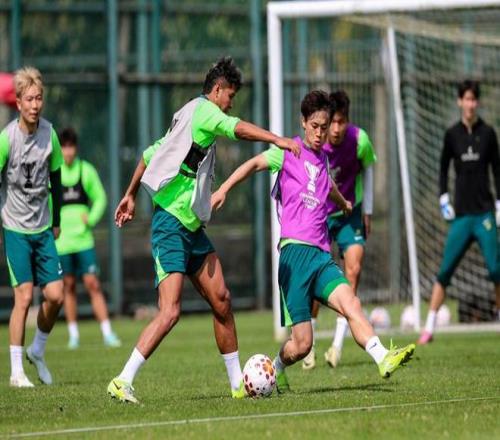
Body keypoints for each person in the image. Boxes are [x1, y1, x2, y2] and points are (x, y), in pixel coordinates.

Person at [106, 56, 300, 403]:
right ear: (218, 89)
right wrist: (279, 139)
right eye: (231, 96)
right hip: (170, 223)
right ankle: (122, 380)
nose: (231, 103)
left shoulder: (188, 114)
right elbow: (237, 128)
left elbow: (150, 155)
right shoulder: (206, 111)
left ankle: (237, 386)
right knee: (170, 311)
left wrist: (131, 194)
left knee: (221, 299)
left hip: (191, 226)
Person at [212, 90, 415, 393]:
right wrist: (224, 188)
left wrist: (344, 203)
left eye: (324, 127)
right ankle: (277, 367)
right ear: (303, 122)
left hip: (321, 257)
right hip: (294, 257)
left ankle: (383, 357)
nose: (320, 133)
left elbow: (327, 184)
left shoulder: (323, 159)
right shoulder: (286, 151)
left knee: (351, 302)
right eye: (315, 126)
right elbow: (253, 164)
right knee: (302, 345)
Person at [418, 80, 500, 344]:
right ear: (459, 101)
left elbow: (497, 171)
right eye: (466, 99)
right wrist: (443, 197)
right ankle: (429, 327)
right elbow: (443, 169)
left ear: (478, 102)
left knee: (496, 269)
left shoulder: (488, 133)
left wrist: (499, 204)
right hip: (462, 217)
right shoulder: (451, 134)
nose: (470, 104)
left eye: (474, 99)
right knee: (445, 271)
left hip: (485, 214)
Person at [303, 90, 377, 370]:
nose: (335, 129)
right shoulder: (315, 141)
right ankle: (308, 346)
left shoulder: (360, 140)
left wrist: (367, 210)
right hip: (320, 215)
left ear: (347, 120)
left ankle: (336, 346)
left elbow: (368, 169)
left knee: (353, 270)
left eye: (341, 122)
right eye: (331, 122)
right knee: (316, 279)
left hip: (350, 214)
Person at [0, 67, 64, 387]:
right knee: (24, 297)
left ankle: (37, 350)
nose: (35, 105)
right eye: (29, 99)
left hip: (42, 228)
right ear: (18, 103)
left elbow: (57, 179)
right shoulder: (6, 139)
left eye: (39, 98)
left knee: (56, 295)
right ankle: (16, 372)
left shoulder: (49, 134)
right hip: (15, 228)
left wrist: (57, 221)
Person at [56, 127, 121, 350]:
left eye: (71, 147)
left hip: (84, 241)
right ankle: (73, 335)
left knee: (93, 284)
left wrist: (91, 219)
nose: (68, 151)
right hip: (62, 243)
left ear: (76, 148)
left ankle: (107, 333)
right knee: (68, 286)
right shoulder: (54, 172)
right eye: (64, 147)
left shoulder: (86, 170)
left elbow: (100, 198)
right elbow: (47, 202)